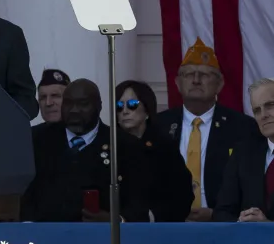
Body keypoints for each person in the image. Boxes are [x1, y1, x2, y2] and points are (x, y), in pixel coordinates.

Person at [22, 78, 150, 222]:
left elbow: (139, 206)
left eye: (83, 104)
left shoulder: (125, 146)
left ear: (98, 106)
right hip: (43, 237)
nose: (74, 110)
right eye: (68, 103)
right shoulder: (37, 140)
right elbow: (24, 197)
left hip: (102, 240)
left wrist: (116, 221)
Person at [157, 38, 257, 221]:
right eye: (189, 75)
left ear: (219, 84)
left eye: (204, 75)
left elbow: (252, 185)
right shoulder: (158, 126)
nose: (196, 80)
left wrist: (217, 214)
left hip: (224, 226)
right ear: (178, 83)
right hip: (168, 226)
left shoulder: (243, 127)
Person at [116, 78, 193, 222]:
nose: (125, 111)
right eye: (119, 106)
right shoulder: (109, 146)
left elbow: (182, 196)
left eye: (132, 104)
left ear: (147, 110)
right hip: (115, 229)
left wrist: (150, 217)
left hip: (157, 229)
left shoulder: (164, 147)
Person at [215, 78, 274, 222]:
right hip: (248, 242)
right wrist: (240, 222)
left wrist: (268, 226)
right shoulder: (243, 153)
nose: (263, 115)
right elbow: (222, 211)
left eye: (270, 105)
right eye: (257, 110)